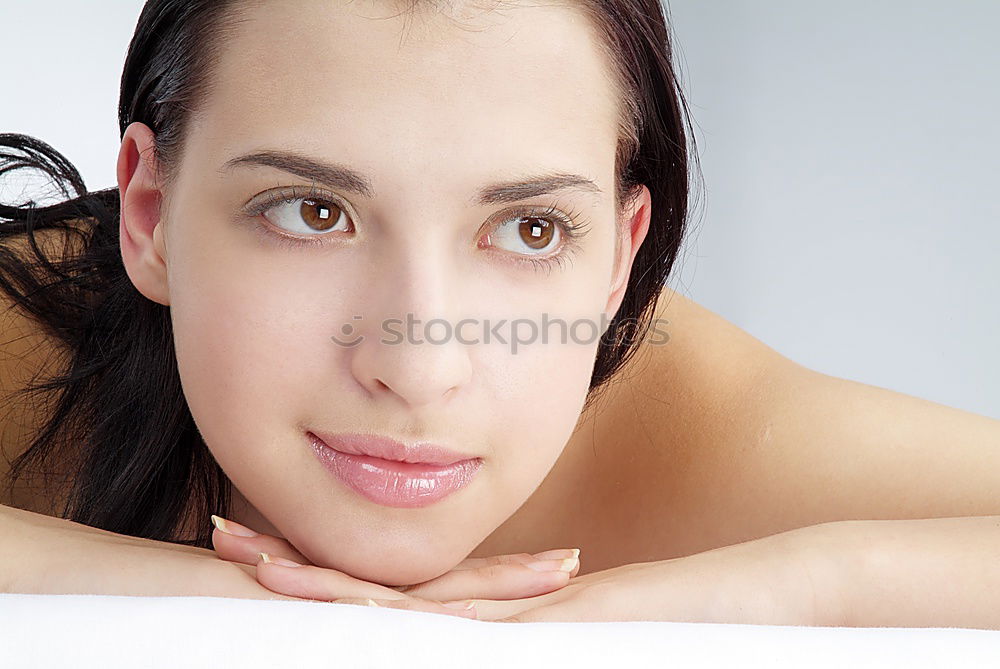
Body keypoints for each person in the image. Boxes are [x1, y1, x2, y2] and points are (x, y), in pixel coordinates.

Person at [2, 0, 999, 627]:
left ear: (619, 255)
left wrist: (788, 589)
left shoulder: (689, 431)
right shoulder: (28, 345)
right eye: (313, 213)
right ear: (151, 218)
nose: (420, 364)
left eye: (527, 230)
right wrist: (207, 596)